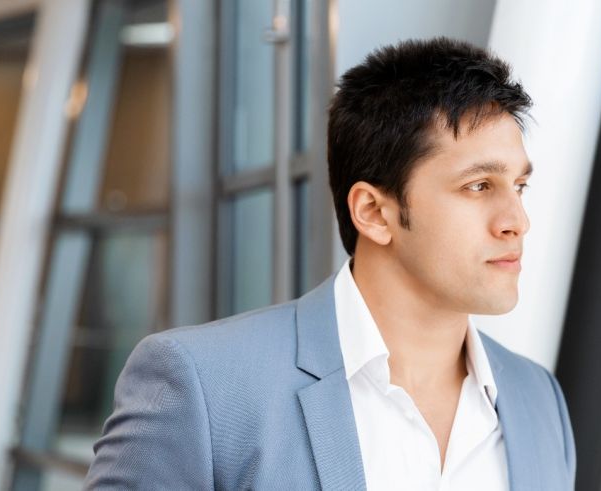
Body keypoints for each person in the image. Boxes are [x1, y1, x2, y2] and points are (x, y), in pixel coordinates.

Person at [85, 37, 575, 490]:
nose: (517, 220)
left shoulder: (538, 398)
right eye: (478, 186)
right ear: (374, 212)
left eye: (520, 186)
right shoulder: (204, 388)